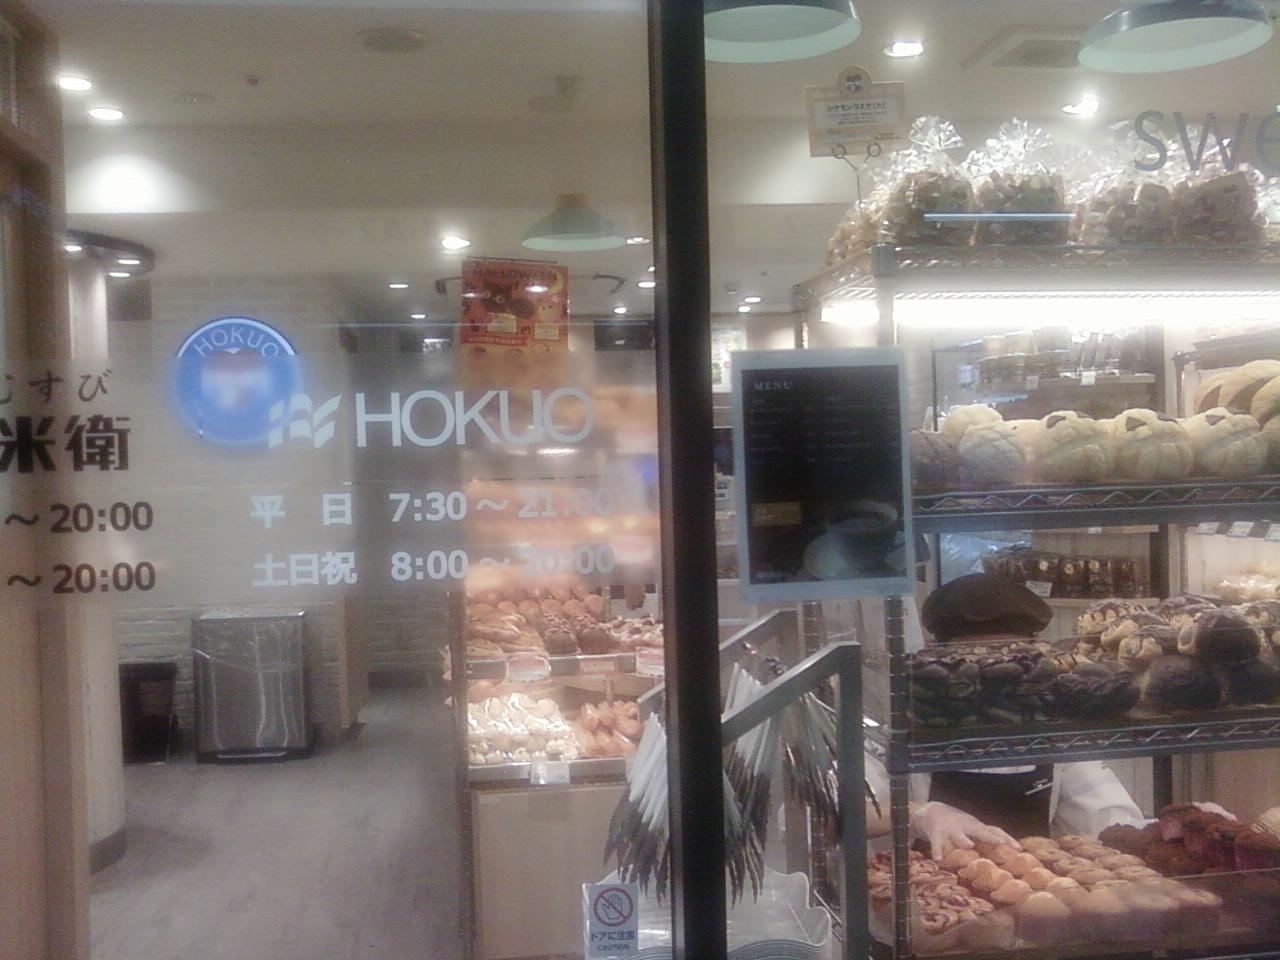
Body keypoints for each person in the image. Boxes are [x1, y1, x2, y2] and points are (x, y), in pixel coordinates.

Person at [865, 573, 1146, 855]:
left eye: (1011, 658)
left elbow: (1108, 815)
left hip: (1031, 878)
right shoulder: (907, 728)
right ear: (938, 659)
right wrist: (918, 813)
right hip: (934, 878)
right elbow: (852, 809)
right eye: (975, 658)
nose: (995, 674)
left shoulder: (1053, 732)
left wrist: (1148, 838)